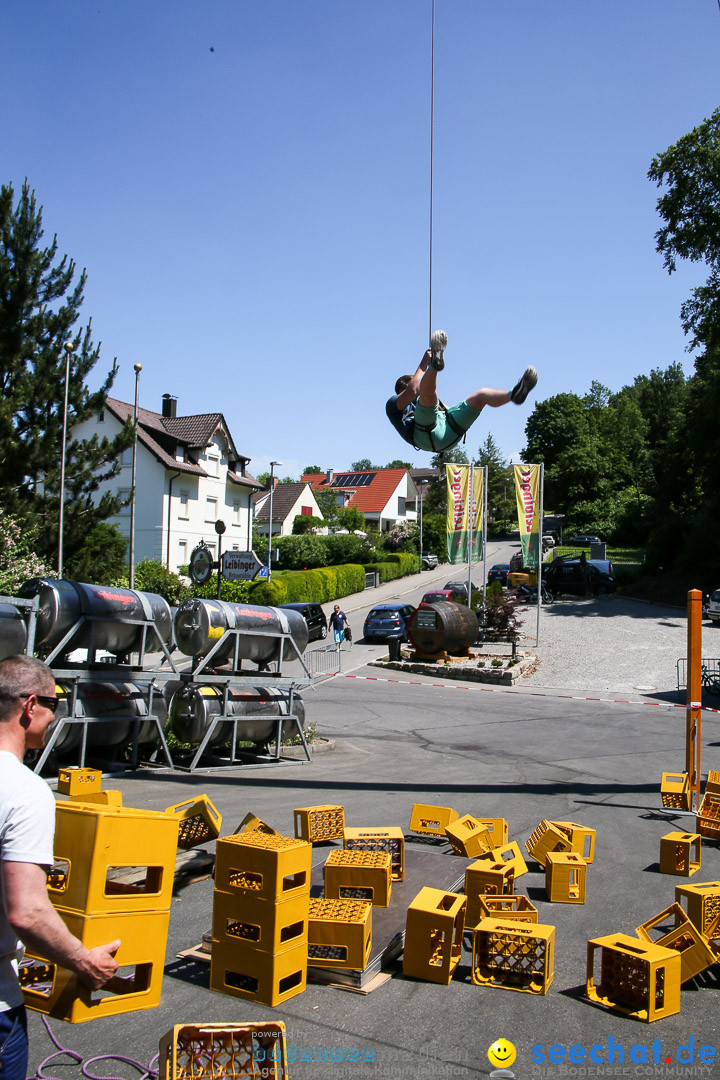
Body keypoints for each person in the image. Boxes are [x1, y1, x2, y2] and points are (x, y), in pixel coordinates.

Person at [0, 655, 121, 1080]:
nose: (54, 715)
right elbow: (27, 912)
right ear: (29, 706)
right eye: (55, 703)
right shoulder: (23, 791)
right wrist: (84, 961)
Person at [386, 330, 538, 453]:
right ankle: (434, 366)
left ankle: (514, 394)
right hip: (425, 435)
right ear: (400, 390)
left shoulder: (425, 400)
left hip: (450, 431)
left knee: (481, 395)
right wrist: (424, 363)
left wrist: (465, 408)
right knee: (428, 397)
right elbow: (414, 389)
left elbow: (447, 410)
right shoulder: (393, 405)